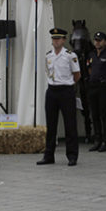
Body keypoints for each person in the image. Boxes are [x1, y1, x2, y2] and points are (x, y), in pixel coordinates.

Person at [38, 27, 81, 166]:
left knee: (70, 124)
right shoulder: (48, 55)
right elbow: (47, 71)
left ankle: (72, 155)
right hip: (52, 90)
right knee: (51, 125)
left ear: (63, 40)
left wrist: (68, 84)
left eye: (58, 39)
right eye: (53, 39)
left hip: (66, 91)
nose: (55, 41)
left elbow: (77, 75)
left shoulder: (70, 55)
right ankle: (49, 155)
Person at [87, 31, 106, 152]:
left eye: (99, 40)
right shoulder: (91, 54)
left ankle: (105, 141)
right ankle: (97, 140)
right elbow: (90, 69)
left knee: (104, 115)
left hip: (104, 88)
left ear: (104, 41)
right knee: (94, 115)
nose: (97, 42)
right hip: (93, 87)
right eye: (96, 40)